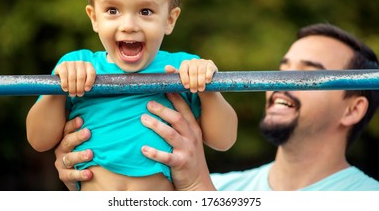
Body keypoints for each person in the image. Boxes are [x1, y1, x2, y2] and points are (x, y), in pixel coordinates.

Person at [55, 23, 379, 191]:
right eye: (283, 68)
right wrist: (93, 183)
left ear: (353, 109)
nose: (281, 82)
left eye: (309, 74)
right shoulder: (223, 187)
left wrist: (196, 186)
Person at [26, 0, 237, 191]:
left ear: (169, 20)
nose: (128, 24)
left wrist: (209, 89)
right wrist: (57, 91)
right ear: (94, 18)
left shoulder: (181, 68)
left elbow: (224, 140)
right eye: (112, 10)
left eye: (145, 11)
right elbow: (39, 141)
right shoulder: (77, 66)